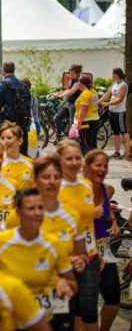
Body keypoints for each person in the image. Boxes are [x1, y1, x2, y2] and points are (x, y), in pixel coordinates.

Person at [0, 188, 77, 327]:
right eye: (31, 208)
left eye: (40, 208)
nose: (37, 213)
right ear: (18, 213)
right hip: (10, 321)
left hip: (44, 318)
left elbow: (73, 284)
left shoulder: (54, 244)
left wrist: (65, 282)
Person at [56, 140, 99, 331]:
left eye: (77, 158)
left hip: (89, 256)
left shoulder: (86, 185)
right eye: (69, 159)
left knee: (89, 311)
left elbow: (89, 223)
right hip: (63, 260)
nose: (74, 162)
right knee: (65, 313)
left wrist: (97, 251)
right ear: (59, 160)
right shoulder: (53, 187)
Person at [83, 150, 121, 331]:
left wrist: (113, 222)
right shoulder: (80, 190)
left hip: (103, 248)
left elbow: (108, 209)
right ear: (87, 167)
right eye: (98, 165)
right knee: (85, 306)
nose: (102, 169)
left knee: (113, 299)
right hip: (84, 249)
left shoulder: (106, 189)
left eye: (105, 166)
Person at [0, 61, 31, 155]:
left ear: (3, 71)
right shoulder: (24, 85)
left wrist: (0, 109)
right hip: (22, 123)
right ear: (14, 70)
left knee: (6, 152)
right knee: (22, 152)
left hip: (7, 124)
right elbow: (29, 101)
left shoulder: (2, 85)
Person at [99, 67, 129, 159]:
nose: (112, 75)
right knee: (115, 132)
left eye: (113, 73)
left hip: (119, 112)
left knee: (123, 131)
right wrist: (98, 102)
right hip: (112, 111)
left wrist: (107, 104)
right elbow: (107, 94)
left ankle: (128, 152)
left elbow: (120, 99)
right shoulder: (114, 84)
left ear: (117, 74)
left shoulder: (123, 85)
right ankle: (117, 152)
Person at [0, 121, 34, 190]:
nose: (5, 142)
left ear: (20, 141)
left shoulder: (30, 164)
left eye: (9, 138)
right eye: (2, 138)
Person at [53, 64, 83, 141]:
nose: (69, 72)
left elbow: (71, 92)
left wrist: (59, 95)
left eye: (70, 70)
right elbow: (68, 90)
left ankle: (74, 141)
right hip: (68, 103)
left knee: (72, 125)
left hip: (75, 105)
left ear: (75, 71)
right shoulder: (72, 80)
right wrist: (58, 93)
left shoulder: (79, 80)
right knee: (57, 118)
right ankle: (59, 137)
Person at [74, 75, 100, 153]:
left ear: (81, 83)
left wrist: (79, 123)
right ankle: (95, 159)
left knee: (86, 144)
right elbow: (96, 106)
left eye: (78, 82)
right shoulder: (94, 92)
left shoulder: (85, 94)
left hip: (86, 122)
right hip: (95, 120)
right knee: (93, 144)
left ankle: (89, 159)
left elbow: (84, 110)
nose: (77, 84)